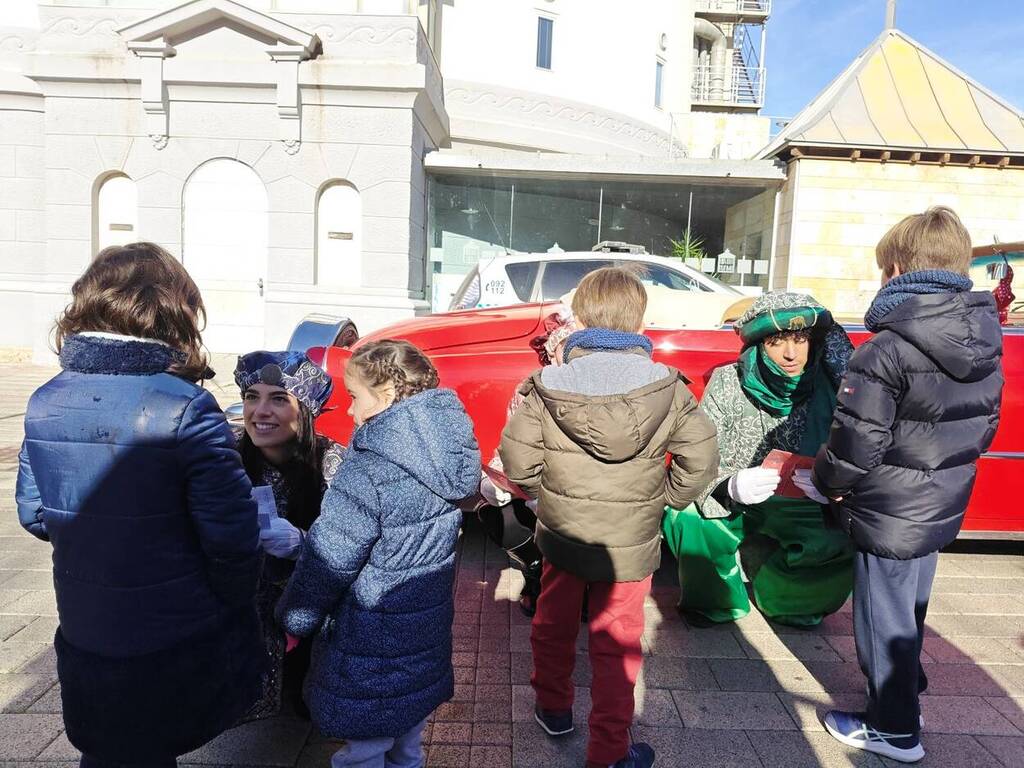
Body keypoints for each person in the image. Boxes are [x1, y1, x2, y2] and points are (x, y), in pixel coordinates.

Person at [14, 242, 264, 768]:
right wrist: (232, 602)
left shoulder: (45, 398)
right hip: (171, 631)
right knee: (148, 747)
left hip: (86, 624)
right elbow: (233, 536)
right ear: (172, 307)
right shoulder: (186, 406)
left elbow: (34, 513)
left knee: (108, 749)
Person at [799, 207, 1003, 764]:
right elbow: (986, 425)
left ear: (895, 269)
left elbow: (855, 440)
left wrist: (827, 482)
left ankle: (894, 730)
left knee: (882, 619)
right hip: (941, 500)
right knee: (909, 610)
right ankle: (907, 700)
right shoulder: (985, 337)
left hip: (886, 505)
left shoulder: (886, 347)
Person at [499, 266, 719, 768]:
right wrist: (667, 497)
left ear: (580, 320)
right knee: (618, 642)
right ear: (639, 322)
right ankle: (609, 751)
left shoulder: (549, 384)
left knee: (554, 621)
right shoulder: (668, 387)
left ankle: (553, 708)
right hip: (631, 540)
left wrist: (547, 496)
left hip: (564, 534)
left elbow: (518, 461)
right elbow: (701, 458)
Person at [275, 339, 480, 768]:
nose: (350, 411)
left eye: (354, 397)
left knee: (364, 748)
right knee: (407, 742)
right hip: (422, 628)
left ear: (385, 395)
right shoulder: (446, 450)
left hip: (369, 635)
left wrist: (295, 617)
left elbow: (330, 557)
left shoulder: (371, 467)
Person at [662, 293, 856, 628]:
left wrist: (833, 485)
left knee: (845, 534)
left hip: (805, 502)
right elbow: (699, 455)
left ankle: (789, 598)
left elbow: (863, 454)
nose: (791, 353)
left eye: (800, 340)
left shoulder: (835, 387)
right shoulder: (728, 380)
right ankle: (717, 599)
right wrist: (728, 485)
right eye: (776, 341)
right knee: (685, 515)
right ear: (759, 344)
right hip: (738, 500)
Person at [233, 350, 344, 720]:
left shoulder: (334, 464)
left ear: (306, 411)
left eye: (279, 399)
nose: (260, 411)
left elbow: (356, 549)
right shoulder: (222, 458)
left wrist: (304, 544)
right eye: (252, 397)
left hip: (308, 614)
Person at [478, 308, 577, 616]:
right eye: (560, 350)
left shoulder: (596, 393)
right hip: (535, 487)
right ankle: (535, 570)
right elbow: (510, 446)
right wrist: (495, 480)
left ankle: (577, 592)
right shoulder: (529, 391)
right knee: (497, 514)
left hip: (579, 498)